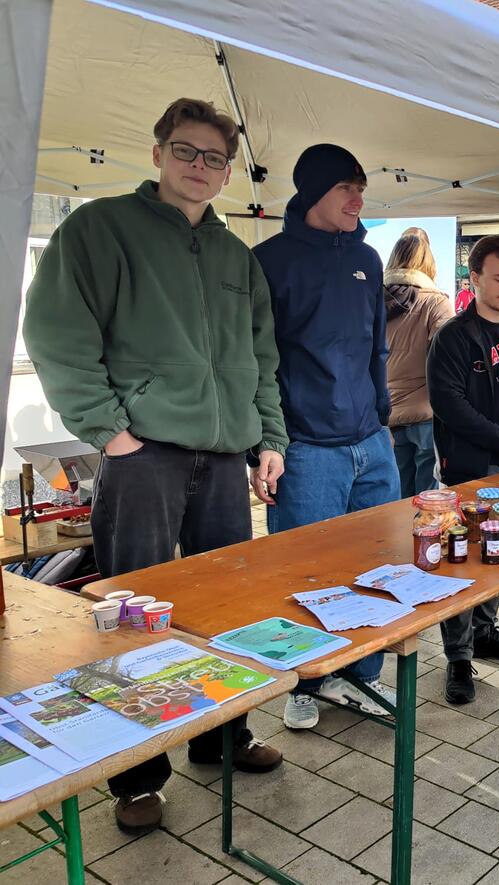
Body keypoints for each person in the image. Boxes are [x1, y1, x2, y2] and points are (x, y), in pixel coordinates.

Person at [22, 97, 288, 835]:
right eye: (185, 150)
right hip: (143, 455)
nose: (199, 167)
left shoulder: (238, 257)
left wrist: (270, 438)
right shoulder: (100, 230)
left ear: (229, 169)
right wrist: (110, 432)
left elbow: (261, 357)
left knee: (223, 607)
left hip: (226, 453)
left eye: (213, 157)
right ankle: (136, 773)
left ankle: (221, 735)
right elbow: (56, 332)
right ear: (157, 152)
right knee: (132, 618)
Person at [253, 143, 400, 730]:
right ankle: (305, 682)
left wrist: (382, 414)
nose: (359, 199)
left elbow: (376, 346)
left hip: (371, 441)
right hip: (307, 447)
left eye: (361, 186)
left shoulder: (368, 257)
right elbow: (256, 359)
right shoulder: (268, 262)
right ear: (314, 192)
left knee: (378, 564)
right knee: (305, 571)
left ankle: (362, 674)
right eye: (347, 188)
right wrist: (264, 444)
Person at [427, 235, 499, 705]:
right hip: (469, 468)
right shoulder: (452, 338)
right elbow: (449, 404)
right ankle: (457, 656)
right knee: (461, 559)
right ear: (474, 277)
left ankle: (485, 631)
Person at [383, 228, 452, 496]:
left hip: (385, 416)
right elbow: (449, 361)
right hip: (426, 413)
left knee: (396, 497)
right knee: (427, 501)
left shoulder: (372, 299)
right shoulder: (436, 303)